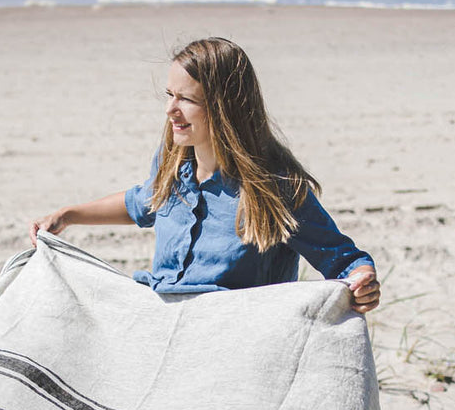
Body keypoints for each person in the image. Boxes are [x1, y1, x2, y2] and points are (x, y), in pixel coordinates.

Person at [29, 36, 380, 313]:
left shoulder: (276, 190)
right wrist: (67, 215)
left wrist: (362, 281)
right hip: (156, 318)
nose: (170, 110)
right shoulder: (173, 167)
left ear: (226, 108)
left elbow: (345, 261)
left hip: (226, 344)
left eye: (186, 100)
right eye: (169, 95)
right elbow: (142, 202)